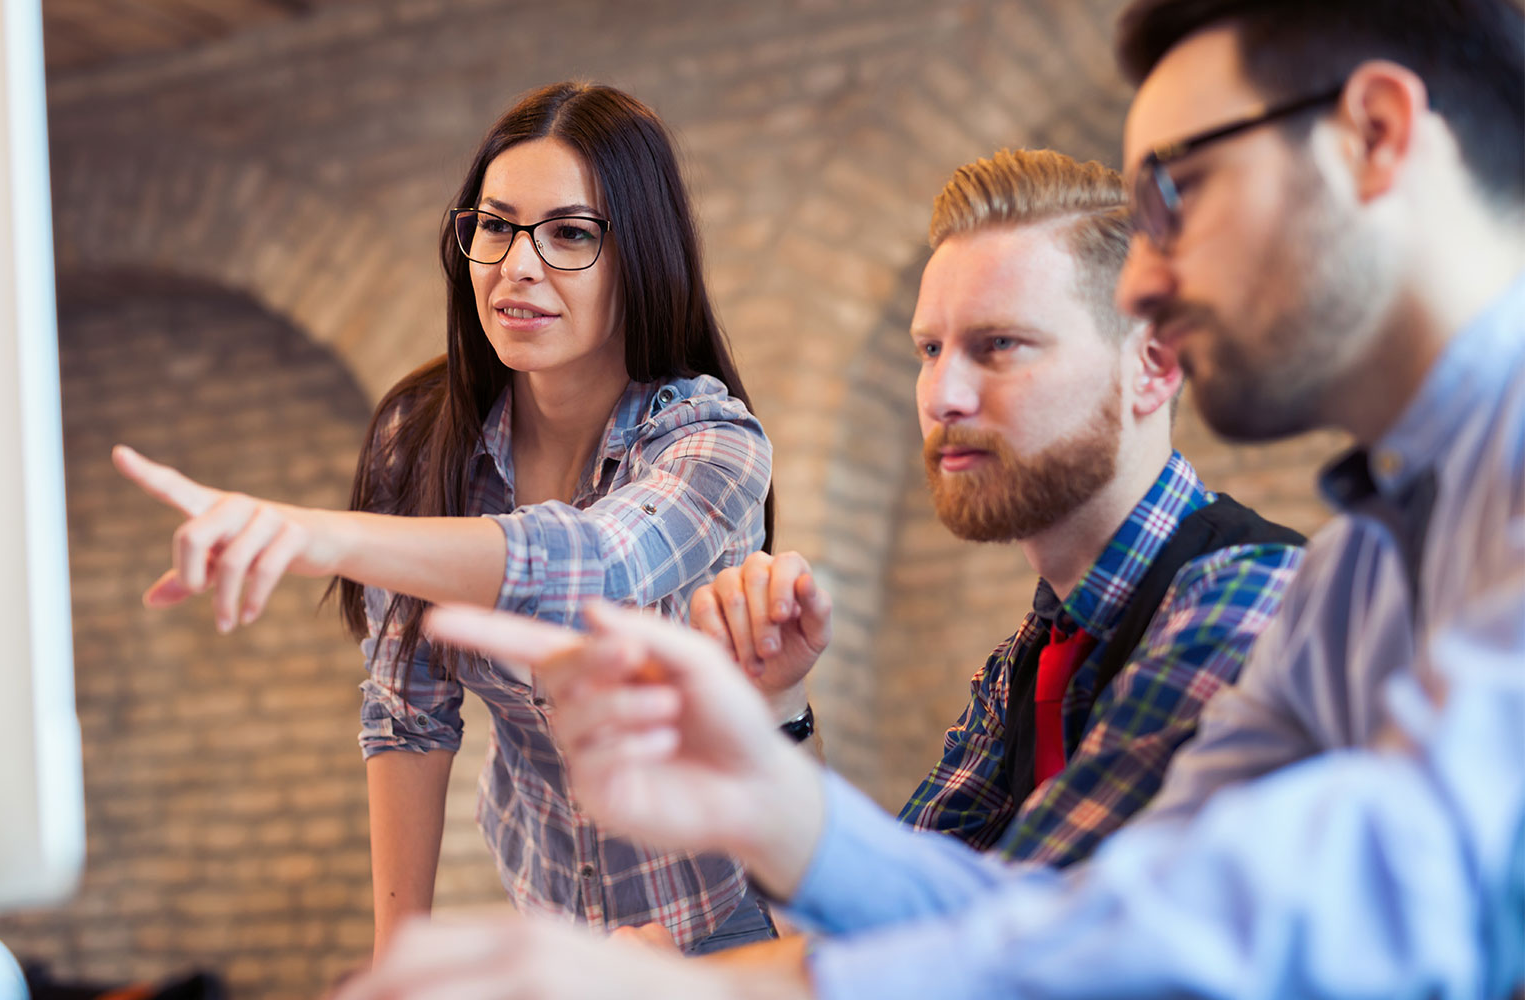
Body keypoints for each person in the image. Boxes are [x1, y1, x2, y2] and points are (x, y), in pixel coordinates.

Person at [334, 0, 1525, 995]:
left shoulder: (1277, 585)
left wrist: (700, 983)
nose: (1151, 278)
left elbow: (1346, 896)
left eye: (1183, 191)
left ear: (1374, 134)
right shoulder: (1365, 566)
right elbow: (1058, 909)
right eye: (924, 349)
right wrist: (769, 788)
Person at [114, 81, 779, 958]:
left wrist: (323, 535)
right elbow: (406, 714)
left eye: (571, 234)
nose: (518, 268)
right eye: (496, 226)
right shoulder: (422, 438)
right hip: (552, 918)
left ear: (643, 257)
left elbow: (598, 565)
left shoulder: (712, 443)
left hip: (728, 921)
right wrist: (400, 962)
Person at [692, 149, 1302, 874]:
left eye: (999, 345)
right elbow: (885, 905)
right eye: (929, 348)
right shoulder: (1030, 660)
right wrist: (776, 702)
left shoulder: (1248, 605)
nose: (941, 395)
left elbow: (986, 941)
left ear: (1154, 365)